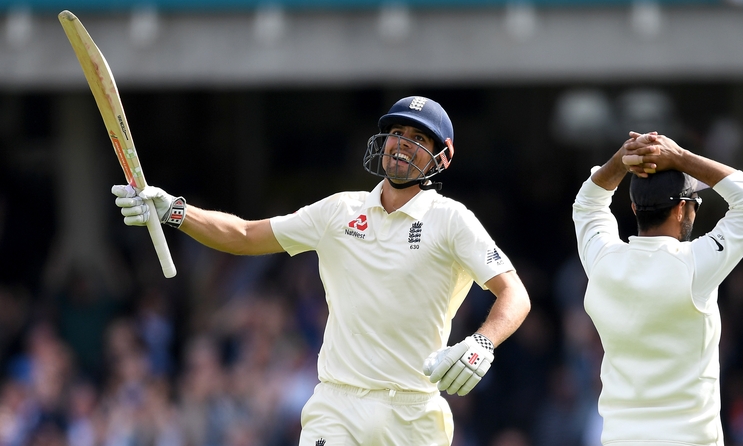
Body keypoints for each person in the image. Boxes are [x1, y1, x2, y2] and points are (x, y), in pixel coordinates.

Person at [112, 96, 531, 445]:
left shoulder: (452, 221)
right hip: (338, 406)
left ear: (442, 157)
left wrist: (482, 342)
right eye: (397, 134)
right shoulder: (339, 211)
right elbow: (243, 234)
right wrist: (174, 210)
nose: (402, 144)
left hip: (413, 412)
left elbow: (514, 293)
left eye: (418, 138)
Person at [572, 131, 743, 445]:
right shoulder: (695, 264)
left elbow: (587, 204)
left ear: (635, 209)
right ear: (683, 208)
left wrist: (623, 159)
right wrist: (680, 157)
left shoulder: (602, 262)